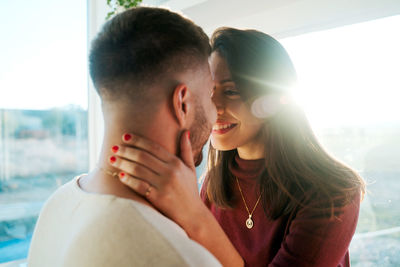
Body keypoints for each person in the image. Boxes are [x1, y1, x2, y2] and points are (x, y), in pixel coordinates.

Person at [110, 28, 366, 266]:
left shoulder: (333, 193)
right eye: (208, 92)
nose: (213, 108)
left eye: (231, 92)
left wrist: (194, 216)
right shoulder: (215, 183)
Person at [27, 8, 245, 267]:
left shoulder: (58, 204)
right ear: (182, 103)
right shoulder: (179, 257)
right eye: (210, 94)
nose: (215, 112)